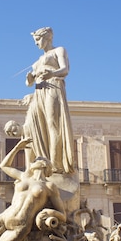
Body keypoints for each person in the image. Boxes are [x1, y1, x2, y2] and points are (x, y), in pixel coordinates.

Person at [0, 137, 66, 241]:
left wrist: (50, 212)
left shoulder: (49, 186)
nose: (33, 161)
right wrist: (17, 147)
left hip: (21, 227)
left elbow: (63, 215)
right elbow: (4, 166)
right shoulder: (23, 177)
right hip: (5, 217)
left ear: (44, 165)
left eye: (38, 159)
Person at [23, 27, 74, 174]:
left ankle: (55, 164)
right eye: (35, 41)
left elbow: (65, 70)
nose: (36, 43)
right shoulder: (38, 60)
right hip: (39, 91)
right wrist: (29, 79)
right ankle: (42, 160)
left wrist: (52, 73)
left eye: (38, 39)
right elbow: (29, 83)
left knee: (53, 125)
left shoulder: (59, 50)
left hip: (53, 87)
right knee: (36, 127)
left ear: (48, 38)